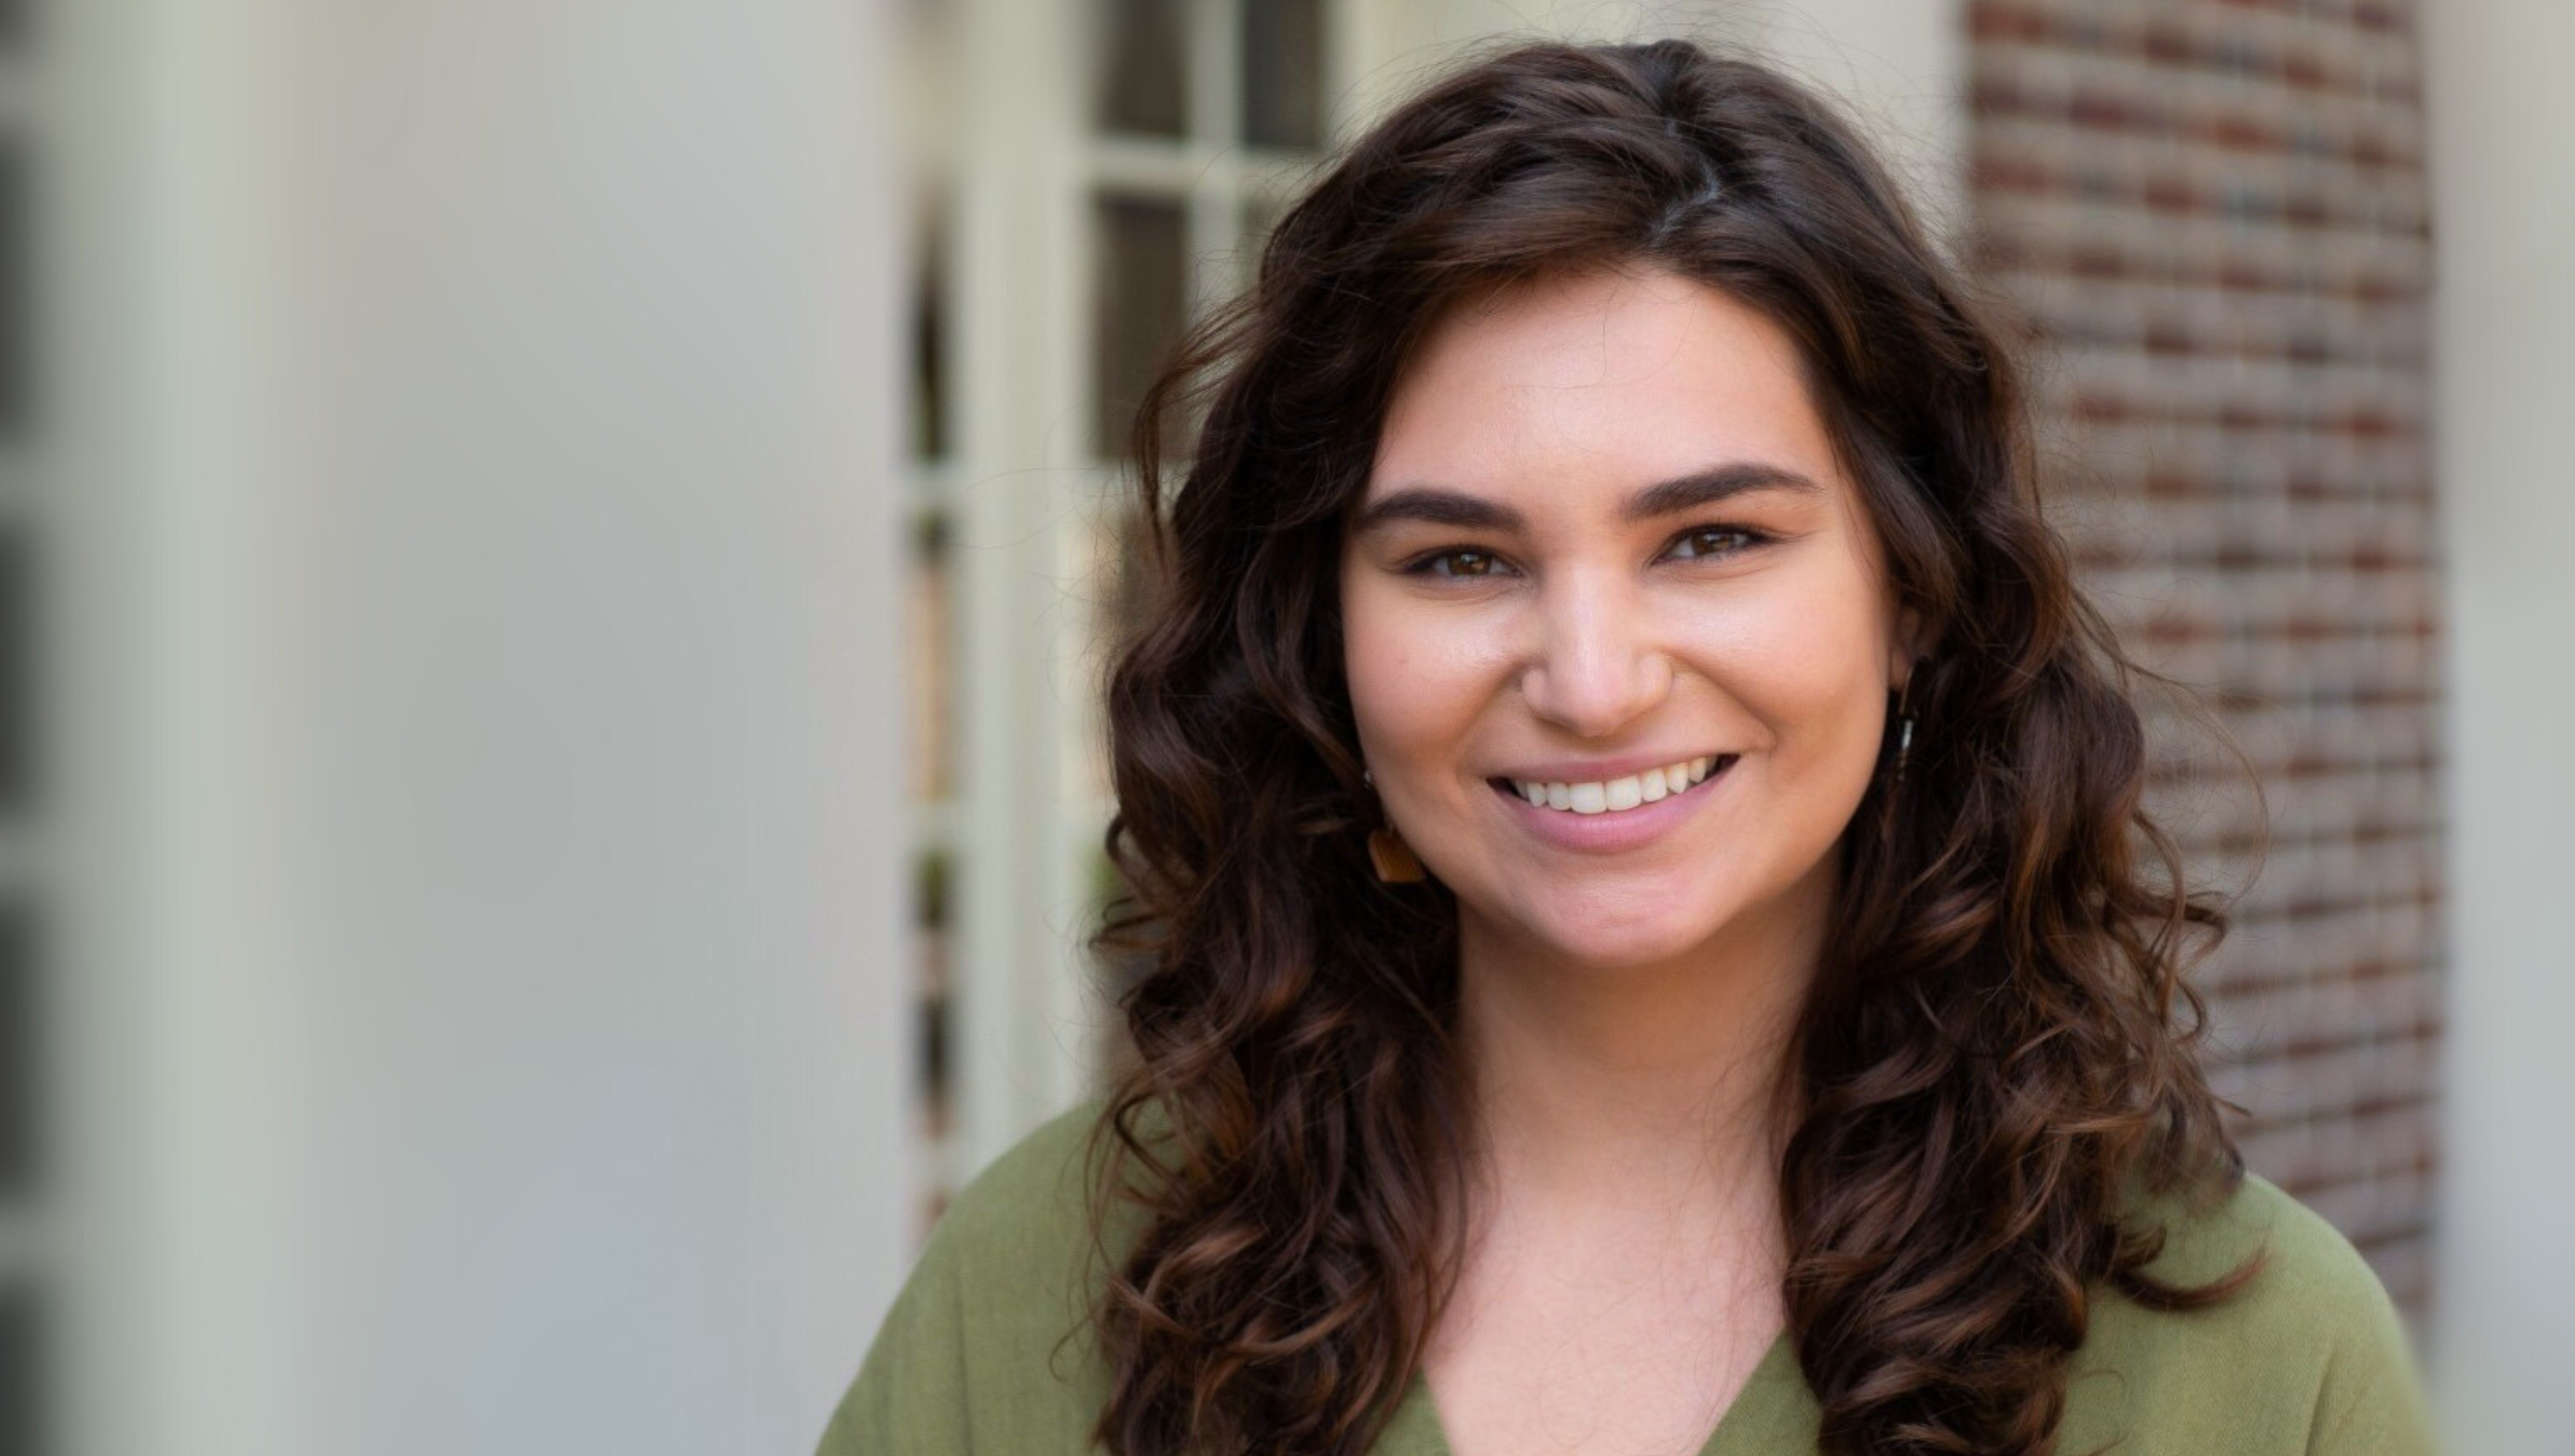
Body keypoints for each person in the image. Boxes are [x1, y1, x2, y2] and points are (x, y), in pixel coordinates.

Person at [821, 36, 2441, 1456]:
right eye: (1459, 560)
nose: (1592, 682)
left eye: (1714, 539)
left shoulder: (2256, 1362)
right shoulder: (1052, 1283)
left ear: (1915, 599)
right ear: (1321, 642)